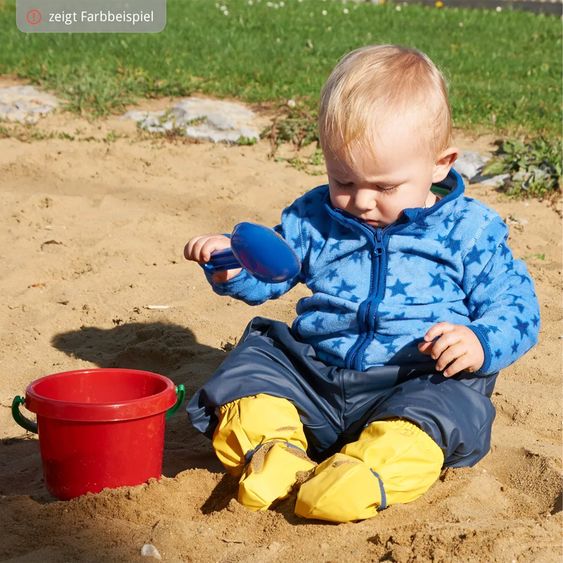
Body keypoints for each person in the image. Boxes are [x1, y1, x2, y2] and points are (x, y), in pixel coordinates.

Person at [184, 45, 540, 523]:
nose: (362, 201)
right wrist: (234, 268)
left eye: (385, 186)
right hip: (317, 376)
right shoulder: (316, 215)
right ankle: (274, 453)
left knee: (450, 408)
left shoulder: (468, 231)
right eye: (344, 180)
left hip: (414, 381)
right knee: (254, 365)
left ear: (440, 164)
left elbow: (517, 306)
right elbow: (274, 275)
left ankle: (363, 476)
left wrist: (478, 340)